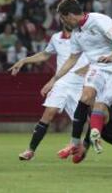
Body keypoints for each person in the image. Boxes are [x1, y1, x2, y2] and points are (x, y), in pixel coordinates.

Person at [42, 0, 112, 158]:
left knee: (101, 108)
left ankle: (91, 140)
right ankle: (74, 142)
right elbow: (72, 59)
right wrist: (53, 80)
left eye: (63, 18)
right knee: (85, 97)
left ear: (70, 15)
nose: (63, 22)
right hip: (98, 66)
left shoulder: (100, 20)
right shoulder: (76, 34)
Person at [9, 25, 89, 160]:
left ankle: (81, 148)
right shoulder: (56, 38)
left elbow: (96, 55)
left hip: (80, 85)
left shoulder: (85, 36)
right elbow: (45, 55)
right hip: (61, 83)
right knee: (48, 114)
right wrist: (24, 60)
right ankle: (30, 150)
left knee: (86, 122)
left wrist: (88, 67)